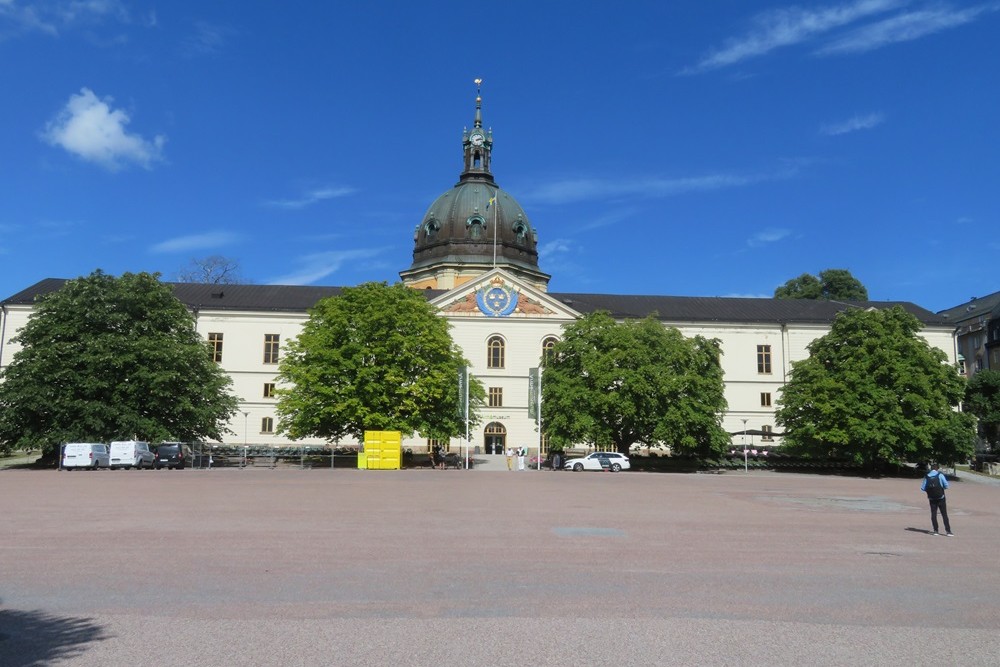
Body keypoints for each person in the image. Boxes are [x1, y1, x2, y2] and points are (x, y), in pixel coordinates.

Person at [921, 463, 953, 536]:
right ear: (937, 468)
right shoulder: (940, 475)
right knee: (944, 514)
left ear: (931, 468)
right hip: (941, 497)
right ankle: (948, 531)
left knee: (933, 514)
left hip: (931, 498)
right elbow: (946, 485)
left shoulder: (927, 476)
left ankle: (935, 530)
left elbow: (923, 488)